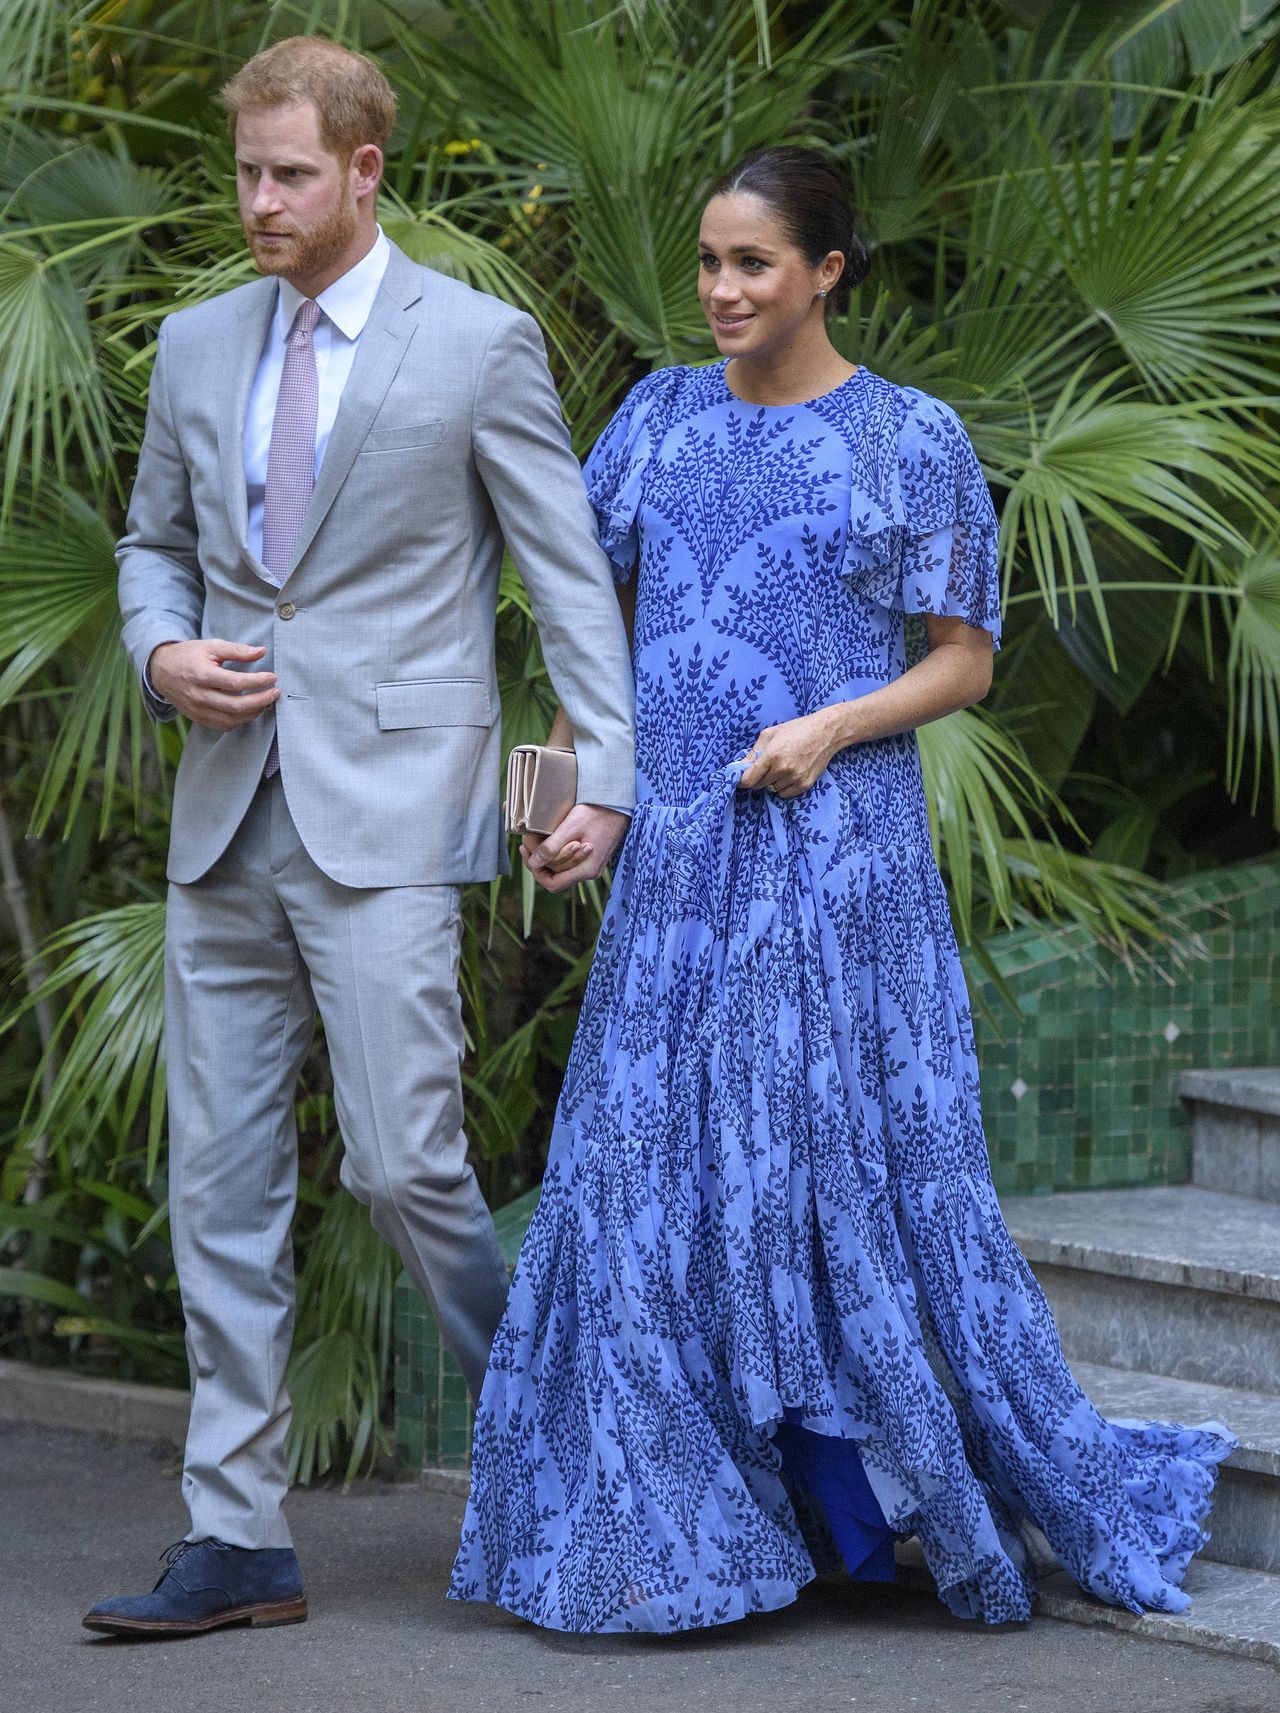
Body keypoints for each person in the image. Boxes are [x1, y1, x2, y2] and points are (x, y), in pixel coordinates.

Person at [450, 145, 1235, 1634]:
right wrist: (558, 800)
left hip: (831, 862)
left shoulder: (910, 437)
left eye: (753, 263)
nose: (722, 290)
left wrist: (832, 722)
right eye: (706, 262)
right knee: (638, 1176)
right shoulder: (655, 422)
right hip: (674, 864)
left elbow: (966, 656)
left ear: (827, 270)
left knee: (828, 1184)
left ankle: (859, 1503)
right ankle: (668, 1524)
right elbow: (589, 641)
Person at [84, 36, 633, 1637]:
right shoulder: (194, 345)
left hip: (395, 819)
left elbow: (566, 582)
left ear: (366, 170)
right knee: (222, 1184)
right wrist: (158, 646)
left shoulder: (475, 344)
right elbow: (149, 544)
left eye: (290, 174)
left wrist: (587, 783)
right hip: (221, 816)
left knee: (406, 1168)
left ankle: (577, 1443)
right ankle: (237, 1534)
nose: (258, 200)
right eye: (245, 171)